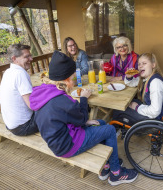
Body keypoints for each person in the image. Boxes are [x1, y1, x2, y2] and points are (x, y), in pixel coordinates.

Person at [29, 51, 138, 186]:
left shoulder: (43, 92)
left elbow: (64, 118)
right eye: (73, 75)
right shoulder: (61, 100)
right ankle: (116, 173)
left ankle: (105, 167)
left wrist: (85, 121)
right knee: (109, 129)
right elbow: (81, 118)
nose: (75, 78)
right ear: (66, 79)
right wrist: (83, 100)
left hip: (56, 141)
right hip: (68, 145)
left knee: (102, 122)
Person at [112, 53, 163, 125]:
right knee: (124, 102)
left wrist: (136, 107)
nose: (140, 66)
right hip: (152, 110)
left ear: (153, 65)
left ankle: (115, 130)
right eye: (139, 64)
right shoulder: (146, 78)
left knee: (119, 110)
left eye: (144, 63)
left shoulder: (155, 83)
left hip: (157, 119)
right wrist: (128, 77)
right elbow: (131, 83)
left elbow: (155, 111)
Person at [0, 44, 38, 136]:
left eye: (30, 55)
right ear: (14, 58)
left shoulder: (8, 72)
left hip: (11, 125)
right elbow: (32, 105)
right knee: (54, 110)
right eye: (26, 57)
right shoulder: (20, 74)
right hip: (24, 127)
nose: (31, 59)